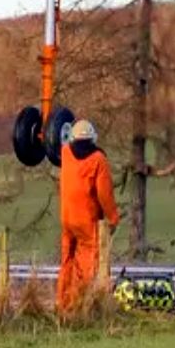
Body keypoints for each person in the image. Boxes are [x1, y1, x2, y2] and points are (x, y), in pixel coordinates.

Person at [56, 118, 119, 313]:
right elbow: (104, 194)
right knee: (88, 263)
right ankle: (81, 305)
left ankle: (62, 303)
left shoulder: (65, 153)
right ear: (93, 138)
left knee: (67, 262)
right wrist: (113, 217)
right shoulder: (98, 160)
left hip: (66, 219)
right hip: (86, 221)